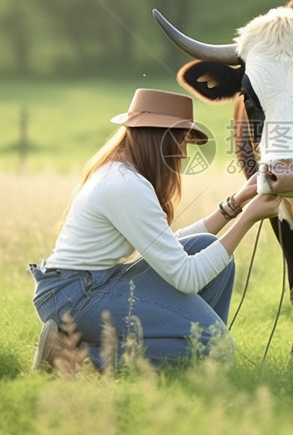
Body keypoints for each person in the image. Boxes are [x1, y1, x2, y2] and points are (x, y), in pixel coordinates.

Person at [28, 88, 280, 371]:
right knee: (216, 347)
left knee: (205, 247)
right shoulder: (126, 186)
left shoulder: (121, 174)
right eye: (181, 140)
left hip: (84, 286)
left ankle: (198, 353)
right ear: (160, 139)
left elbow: (167, 247)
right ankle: (73, 358)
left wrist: (236, 204)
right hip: (76, 298)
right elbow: (187, 278)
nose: (184, 152)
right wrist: (249, 219)